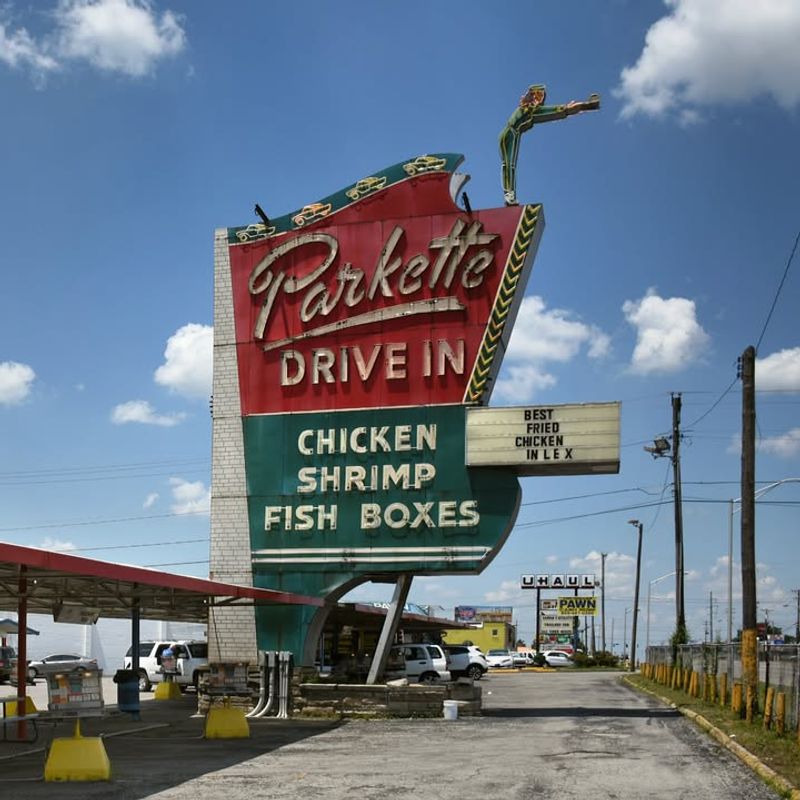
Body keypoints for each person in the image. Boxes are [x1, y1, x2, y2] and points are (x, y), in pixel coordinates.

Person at [499, 84, 600, 205]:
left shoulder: (533, 110)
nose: (524, 95)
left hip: (512, 134)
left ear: (535, 98)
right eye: (528, 93)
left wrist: (586, 106)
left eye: (529, 94)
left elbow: (563, 110)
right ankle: (509, 193)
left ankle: (509, 194)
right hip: (507, 134)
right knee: (508, 164)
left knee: (510, 164)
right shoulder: (525, 108)